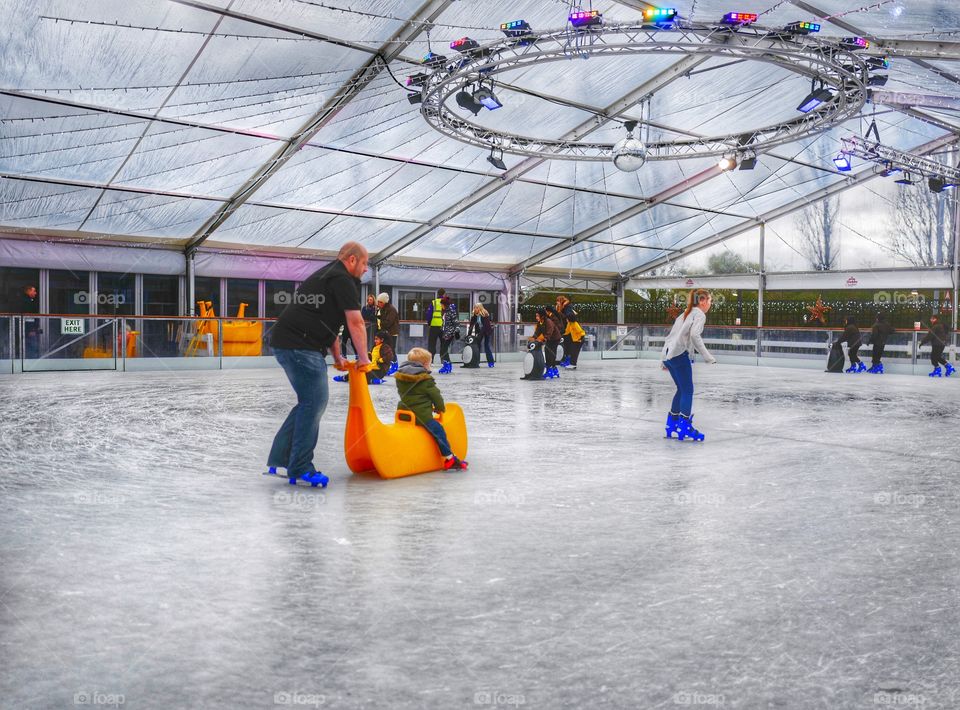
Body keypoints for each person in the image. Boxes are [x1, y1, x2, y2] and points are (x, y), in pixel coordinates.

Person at [266, 242, 370, 487]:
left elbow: (331, 325)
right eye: (365, 263)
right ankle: (300, 467)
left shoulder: (329, 276)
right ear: (352, 260)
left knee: (308, 403)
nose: (366, 269)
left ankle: (281, 458)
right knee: (314, 402)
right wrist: (364, 358)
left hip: (290, 343)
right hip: (298, 346)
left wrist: (337, 357)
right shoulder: (340, 278)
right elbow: (356, 323)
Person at [395, 347, 468, 470]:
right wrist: (440, 408)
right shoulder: (425, 380)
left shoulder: (400, 377)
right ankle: (450, 458)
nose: (430, 366)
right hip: (421, 415)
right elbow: (436, 396)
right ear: (423, 364)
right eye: (429, 363)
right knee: (438, 431)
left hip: (404, 413)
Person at [661, 288, 716, 441]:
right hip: (678, 355)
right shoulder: (699, 314)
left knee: (681, 389)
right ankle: (684, 426)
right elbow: (694, 335)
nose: (710, 304)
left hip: (669, 355)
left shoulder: (686, 312)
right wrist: (707, 356)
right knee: (688, 391)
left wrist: (664, 359)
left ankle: (671, 423)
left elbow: (671, 335)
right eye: (710, 301)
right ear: (703, 301)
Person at [530, 307, 562, 379]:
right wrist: (533, 338)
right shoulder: (540, 322)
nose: (536, 317)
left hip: (555, 339)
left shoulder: (548, 322)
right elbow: (537, 332)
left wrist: (544, 339)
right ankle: (554, 369)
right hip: (549, 339)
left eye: (537, 316)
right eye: (536, 316)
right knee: (548, 353)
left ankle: (550, 370)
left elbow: (549, 332)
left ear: (542, 316)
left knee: (550, 353)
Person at [556, 296, 585, 369]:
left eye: (558, 301)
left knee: (574, 351)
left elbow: (580, 331)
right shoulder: (570, 323)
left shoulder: (574, 322)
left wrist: (581, 337)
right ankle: (572, 363)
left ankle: (572, 364)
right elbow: (567, 331)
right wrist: (561, 333)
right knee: (573, 350)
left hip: (578, 338)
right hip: (575, 338)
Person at [376, 292, 399, 372]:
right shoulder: (382, 309)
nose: (378, 303)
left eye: (380, 302)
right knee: (386, 349)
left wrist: (380, 322)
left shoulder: (391, 309)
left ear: (384, 302)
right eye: (378, 302)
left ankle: (394, 364)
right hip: (386, 332)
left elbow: (389, 322)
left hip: (392, 333)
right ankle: (388, 365)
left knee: (391, 349)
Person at [437, 296, 459, 374]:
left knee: (443, 349)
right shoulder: (445, 311)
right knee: (443, 349)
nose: (440, 306)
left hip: (449, 333)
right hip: (445, 333)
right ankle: (447, 365)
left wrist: (456, 331)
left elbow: (455, 321)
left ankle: (447, 365)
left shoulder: (451, 311)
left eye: (441, 304)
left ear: (444, 304)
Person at [468, 303, 495, 367]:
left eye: (476, 308)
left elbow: (485, 326)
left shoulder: (485, 314)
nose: (475, 309)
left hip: (486, 331)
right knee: (477, 347)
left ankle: (491, 362)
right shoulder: (474, 315)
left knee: (486, 347)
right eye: (474, 308)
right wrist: (469, 334)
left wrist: (480, 334)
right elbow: (471, 325)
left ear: (480, 308)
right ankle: (477, 362)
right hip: (479, 331)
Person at [425, 288, 446, 363]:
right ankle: (443, 360)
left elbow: (429, 314)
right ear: (444, 294)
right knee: (444, 344)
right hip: (443, 326)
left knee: (432, 344)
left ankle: (431, 360)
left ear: (438, 294)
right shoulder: (447, 303)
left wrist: (429, 323)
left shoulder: (433, 303)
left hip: (434, 326)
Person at [21, 285, 40, 359]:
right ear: (28, 291)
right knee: (32, 346)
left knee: (31, 346)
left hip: (28, 328)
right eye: (34, 291)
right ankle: (30, 362)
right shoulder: (26, 301)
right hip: (29, 329)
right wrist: (31, 330)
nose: (36, 293)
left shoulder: (29, 300)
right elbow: (28, 316)